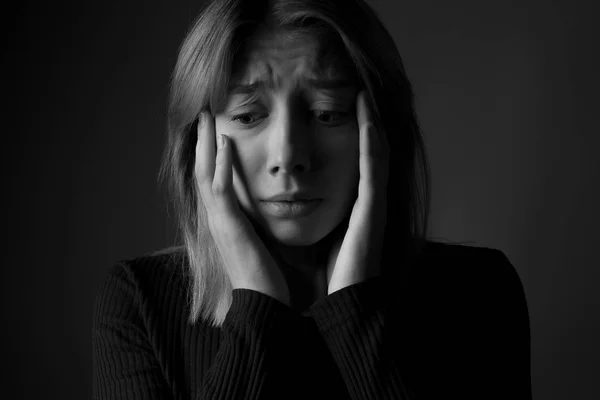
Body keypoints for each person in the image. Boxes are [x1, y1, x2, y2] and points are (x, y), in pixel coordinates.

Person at [92, 0, 532, 399]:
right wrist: (256, 307)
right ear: (198, 142)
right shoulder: (139, 304)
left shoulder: (479, 293)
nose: (289, 156)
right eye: (247, 115)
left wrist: (354, 312)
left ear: (382, 132)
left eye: (326, 113)